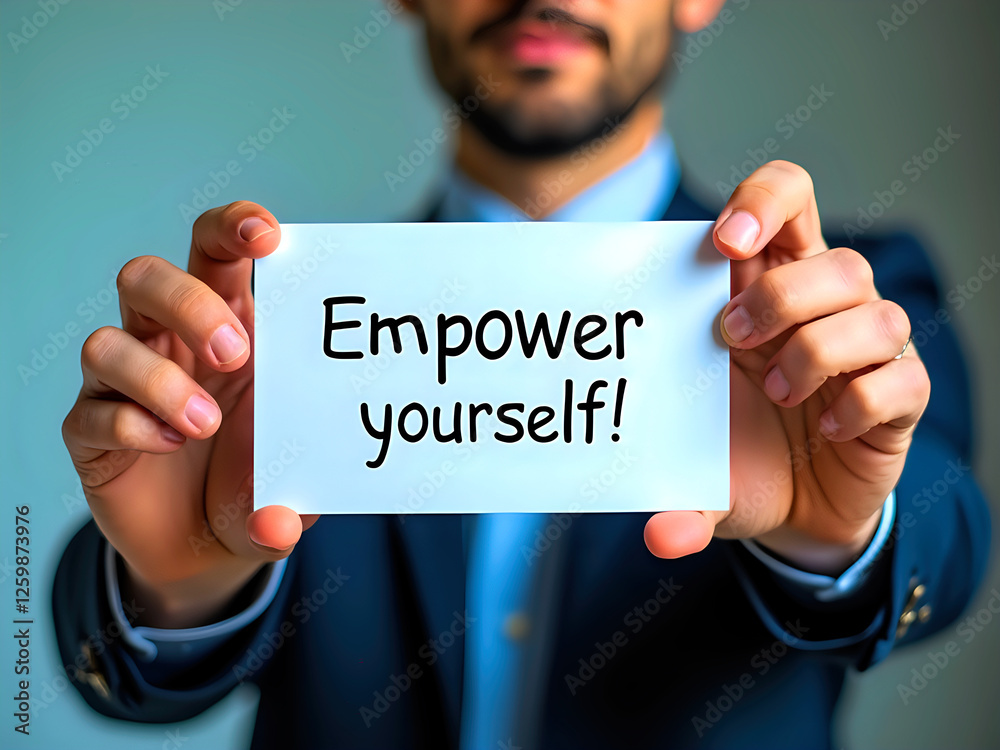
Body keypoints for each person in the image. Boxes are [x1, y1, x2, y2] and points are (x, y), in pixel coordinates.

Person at [54, 1, 989, 748]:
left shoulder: (844, 306)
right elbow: (123, 675)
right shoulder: (267, 335)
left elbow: (947, 544)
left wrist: (842, 535)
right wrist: (175, 585)